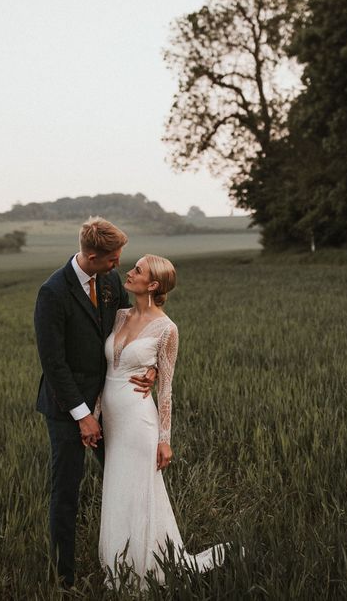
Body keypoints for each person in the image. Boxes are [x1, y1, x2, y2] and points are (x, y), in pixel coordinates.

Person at [34, 217, 157, 588]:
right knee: (67, 491)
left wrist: (149, 366)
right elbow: (53, 363)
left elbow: (133, 325)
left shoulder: (109, 283)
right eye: (111, 260)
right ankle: (64, 578)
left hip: (112, 402)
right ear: (90, 255)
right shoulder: (52, 293)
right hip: (66, 408)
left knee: (124, 480)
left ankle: (131, 562)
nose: (118, 266)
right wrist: (83, 416)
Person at [95, 254, 231, 588]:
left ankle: (145, 571)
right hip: (112, 420)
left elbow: (167, 388)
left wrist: (164, 439)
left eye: (138, 270)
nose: (130, 271)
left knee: (140, 491)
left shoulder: (167, 329)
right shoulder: (119, 315)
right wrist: (95, 417)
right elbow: (105, 371)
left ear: (153, 285)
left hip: (140, 420)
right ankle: (118, 565)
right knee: (117, 489)